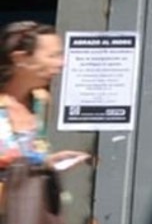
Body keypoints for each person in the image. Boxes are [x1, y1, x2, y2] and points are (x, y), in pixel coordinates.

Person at [0, 21, 90, 183]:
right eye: (52, 56)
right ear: (20, 58)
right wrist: (38, 162)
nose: (61, 63)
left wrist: (49, 161)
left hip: (28, 197)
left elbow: (35, 154)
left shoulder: (40, 102)